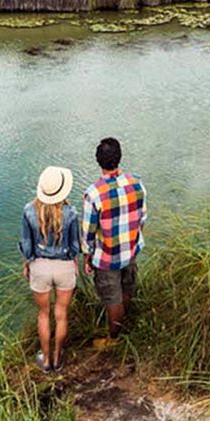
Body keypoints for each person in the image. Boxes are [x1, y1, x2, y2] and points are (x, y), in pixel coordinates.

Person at [81, 138, 146, 346]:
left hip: (107, 257)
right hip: (131, 250)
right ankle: (124, 326)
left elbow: (88, 233)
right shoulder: (137, 184)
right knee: (127, 288)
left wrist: (87, 256)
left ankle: (115, 339)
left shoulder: (94, 194)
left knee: (112, 299)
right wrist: (132, 240)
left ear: (98, 161)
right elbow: (142, 218)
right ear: (119, 158)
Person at [21, 166, 81, 372]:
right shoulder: (71, 212)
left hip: (40, 267)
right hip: (64, 267)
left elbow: (27, 245)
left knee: (43, 314)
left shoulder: (29, 210)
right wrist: (75, 263)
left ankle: (46, 361)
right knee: (61, 314)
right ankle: (58, 357)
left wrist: (28, 263)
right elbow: (75, 247)